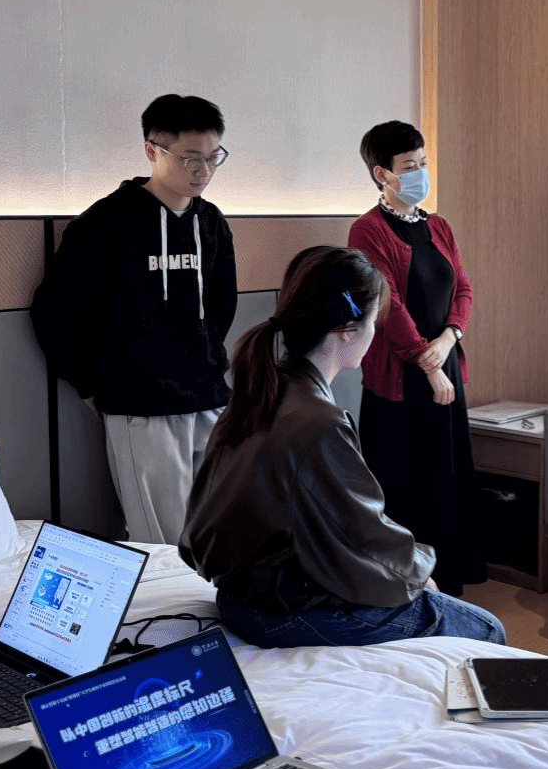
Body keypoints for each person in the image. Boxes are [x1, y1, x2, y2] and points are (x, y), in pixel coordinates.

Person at [179, 246, 505, 648]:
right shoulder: (318, 422)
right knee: (488, 629)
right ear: (348, 330)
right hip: (280, 612)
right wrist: (420, 574)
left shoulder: (260, 393)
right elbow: (363, 533)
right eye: (375, 322)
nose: (375, 334)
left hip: (238, 597)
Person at [31, 94, 236, 545]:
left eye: (213, 157)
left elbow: (222, 305)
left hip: (209, 396)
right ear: (152, 151)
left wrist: (208, 360)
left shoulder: (211, 222)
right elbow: (54, 310)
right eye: (190, 158)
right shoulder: (106, 222)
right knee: (164, 541)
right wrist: (87, 383)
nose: (203, 170)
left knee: (221, 530)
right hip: (141, 403)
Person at [348, 121, 484, 595]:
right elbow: (387, 304)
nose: (419, 173)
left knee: (447, 475)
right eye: (409, 166)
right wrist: (428, 363)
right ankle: (407, 586)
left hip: (445, 366)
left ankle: (450, 582)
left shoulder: (438, 226)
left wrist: (449, 338)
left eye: (422, 163)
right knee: (406, 482)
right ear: (381, 173)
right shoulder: (367, 230)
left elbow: (463, 289)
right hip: (399, 378)